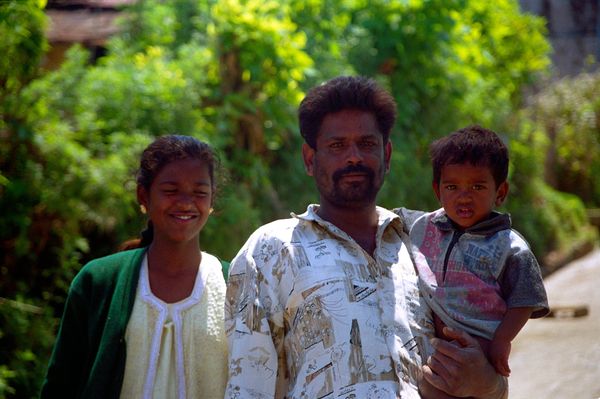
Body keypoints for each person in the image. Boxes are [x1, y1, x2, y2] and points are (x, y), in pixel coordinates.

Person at [224, 76, 508, 399]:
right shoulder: (271, 251)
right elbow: (247, 387)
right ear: (309, 159)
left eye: (367, 144)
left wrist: (489, 384)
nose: (354, 157)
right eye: (336, 146)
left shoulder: (427, 243)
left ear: (386, 155)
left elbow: (480, 372)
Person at [40, 135, 228, 398]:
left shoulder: (236, 284)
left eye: (199, 192)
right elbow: (61, 385)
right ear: (144, 196)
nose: (186, 202)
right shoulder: (99, 280)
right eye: (171, 191)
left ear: (211, 203)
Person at [399, 126, 549, 385]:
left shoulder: (509, 247)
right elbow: (386, 216)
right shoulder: (423, 226)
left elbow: (525, 298)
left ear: (500, 193)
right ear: (438, 191)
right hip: (429, 340)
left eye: (478, 186)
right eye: (452, 186)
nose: (464, 197)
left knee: (438, 390)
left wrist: (502, 340)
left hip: (478, 345)